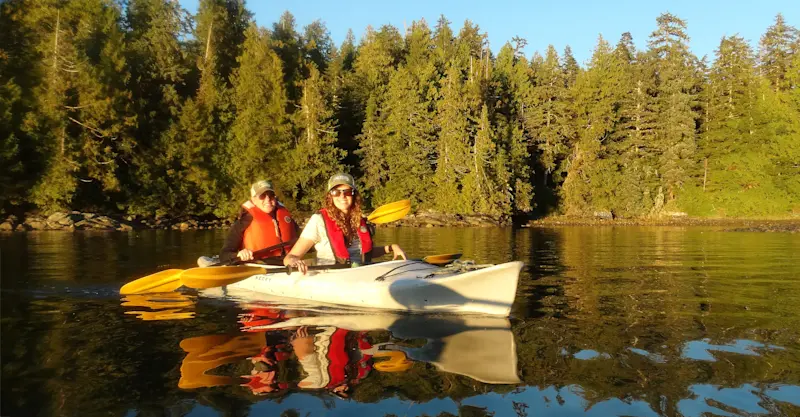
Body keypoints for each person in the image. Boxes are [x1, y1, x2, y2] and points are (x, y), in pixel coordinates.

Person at [283, 173, 406, 274]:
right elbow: (290, 256)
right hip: (330, 276)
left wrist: (390, 248)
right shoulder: (318, 220)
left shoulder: (359, 220)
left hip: (360, 272)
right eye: (336, 192)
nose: (342, 196)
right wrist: (294, 262)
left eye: (347, 192)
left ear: (354, 195)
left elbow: (364, 253)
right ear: (330, 196)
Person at [219, 180, 300, 264]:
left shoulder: (286, 217)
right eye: (262, 196)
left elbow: (304, 241)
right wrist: (238, 254)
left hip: (288, 263)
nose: (267, 199)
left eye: (271, 195)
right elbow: (224, 255)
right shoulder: (243, 222)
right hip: (259, 265)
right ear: (253, 199)